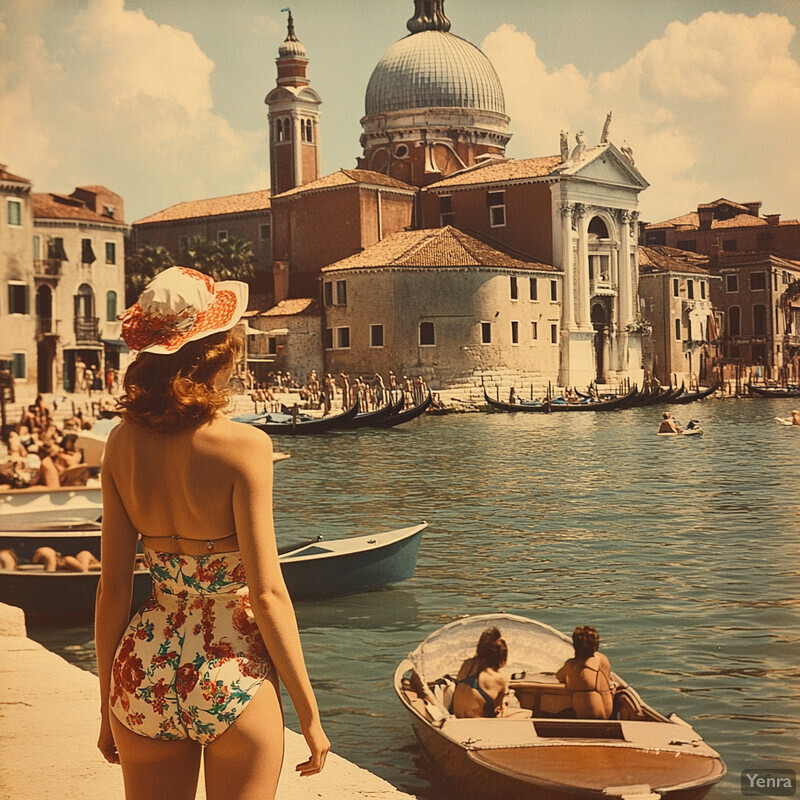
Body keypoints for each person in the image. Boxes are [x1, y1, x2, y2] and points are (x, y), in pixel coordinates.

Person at [95, 266, 329, 799]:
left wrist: (108, 705)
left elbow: (111, 591)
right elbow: (268, 595)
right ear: (217, 351)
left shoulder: (120, 445)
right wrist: (311, 717)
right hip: (229, 666)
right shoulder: (244, 448)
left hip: (143, 667)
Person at [556, 625, 614, 720]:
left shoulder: (572, 665)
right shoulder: (603, 660)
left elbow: (559, 677)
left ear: (575, 646)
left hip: (590, 724)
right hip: (609, 717)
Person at [452, 627, 508, 719]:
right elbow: (498, 711)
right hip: (478, 725)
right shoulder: (499, 679)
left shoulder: (466, 664)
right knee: (524, 713)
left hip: (458, 720)